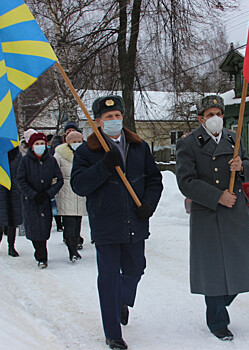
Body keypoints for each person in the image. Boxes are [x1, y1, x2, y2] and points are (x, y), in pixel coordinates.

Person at [71, 95, 163, 350]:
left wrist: (148, 205)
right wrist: (102, 166)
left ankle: (121, 300)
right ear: (98, 122)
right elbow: (79, 185)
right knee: (109, 277)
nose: (114, 120)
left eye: (118, 115)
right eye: (108, 117)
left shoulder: (139, 146)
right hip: (106, 224)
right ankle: (113, 333)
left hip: (135, 222)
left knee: (135, 270)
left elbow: (154, 179)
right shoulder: (87, 151)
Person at [175, 95, 249, 341]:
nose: (215, 119)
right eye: (210, 114)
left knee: (239, 264)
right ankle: (217, 320)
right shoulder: (189, 143)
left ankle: (223, 301)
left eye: (219, 114)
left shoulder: (234, 138)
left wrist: (241, 167)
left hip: (235, 212)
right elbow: (185, 182)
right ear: (201, 118)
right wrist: (216, 196)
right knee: (212, 269)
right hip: (208, 212)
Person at [16, 132, 63, 268]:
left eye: (42, 144)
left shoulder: (51, 160)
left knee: (44, 228)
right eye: (37, 144)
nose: (40, 146)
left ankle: (42, 255)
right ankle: (40, 255)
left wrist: (48, 193)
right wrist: (33, 194)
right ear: (31, 146)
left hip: (45, 200)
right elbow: (20, 180)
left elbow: (59, 180)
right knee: (33, 229)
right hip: (31, 200)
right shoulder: (25, 161)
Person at [53, 130, 87, 262]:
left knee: (77, 220)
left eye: (79, 141)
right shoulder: (60, 154)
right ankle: (72, 249)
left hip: (79, 190)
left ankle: (77, 241)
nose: (77, 144)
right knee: (69, 221)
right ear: (68, 143)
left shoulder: (84, 154)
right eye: (74, 142)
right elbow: (55, 172)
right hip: (66, 190)